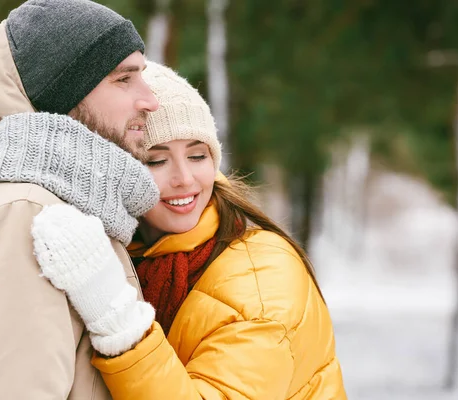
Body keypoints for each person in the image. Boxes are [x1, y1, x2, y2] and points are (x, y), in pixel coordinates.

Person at [32, 61, 347, 399]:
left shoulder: (259, 281)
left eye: (198, 156)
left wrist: (119, 322)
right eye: (156, 160)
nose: (184, 178)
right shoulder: (132, 252)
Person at [0, 0, 161, 399]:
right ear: (62, 91)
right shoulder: (22, 216)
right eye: (123, 80)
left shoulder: (44, 202)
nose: (150, 100)